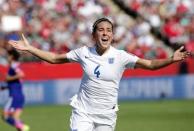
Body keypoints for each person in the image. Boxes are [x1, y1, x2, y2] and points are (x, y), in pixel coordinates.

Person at [8, 18, 190, 131]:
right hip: (83, 112)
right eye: (101, 30)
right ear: (94, 35)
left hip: (107, 116)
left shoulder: (121, 56)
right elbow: (55, 58)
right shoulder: (84, 52)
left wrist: (171, 59)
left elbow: (150, 64)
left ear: (112, 36)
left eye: (109, 30)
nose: (105, 33)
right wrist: (30, 48)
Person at [0, 49, 30, 131]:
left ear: (12, 57)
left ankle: (23, 127)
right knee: (15, 118)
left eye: (8, 56)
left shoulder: (14, 66)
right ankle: (22, 127)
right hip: (19, 95)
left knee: (5, 116)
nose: (7, 57)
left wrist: (8, 78)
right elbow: (17, 82)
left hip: (14, 96)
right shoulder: (15, 66)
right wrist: (5, 87)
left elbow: (21, 74)